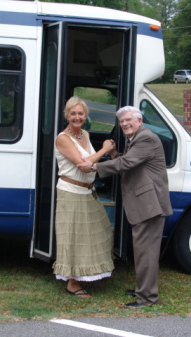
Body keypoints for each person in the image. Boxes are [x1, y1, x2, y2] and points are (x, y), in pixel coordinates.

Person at [78, 105, 172, 307]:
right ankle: (143, 290)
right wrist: (113, 155)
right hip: (146, 205)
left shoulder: (146, 139)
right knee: (142, 251)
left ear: (139, 120)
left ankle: (148, 298)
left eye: (129, 120)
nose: (125, 124)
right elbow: (128, 164)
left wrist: (94, 166)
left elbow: (127, 164)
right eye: (122, 122)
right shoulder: (137, 139)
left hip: (150, 205)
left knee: (146, 253)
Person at [53, 96, 115, 298]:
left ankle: (85, 273)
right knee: (73, 238)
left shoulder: (85, 134)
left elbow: (90, 163)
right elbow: (83, 163)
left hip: (88, 190)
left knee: (99, 230)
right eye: (73, 114)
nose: (77, 117)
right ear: (67, 116)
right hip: (70, 192)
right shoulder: (63, 138)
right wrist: (105, 149)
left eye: (80, 113)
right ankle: (72, 283)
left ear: (85, 116)